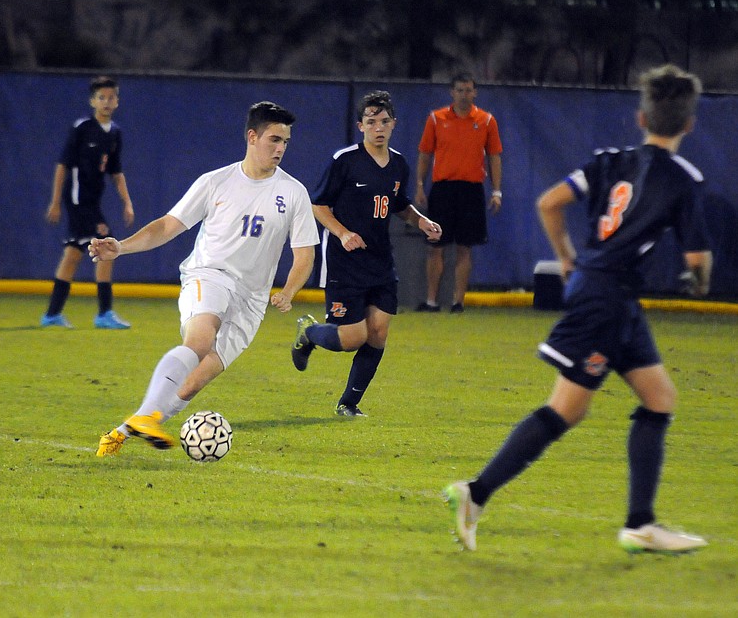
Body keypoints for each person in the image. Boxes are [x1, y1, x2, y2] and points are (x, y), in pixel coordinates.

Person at [443, 64, 713, 554]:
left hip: (607, 294)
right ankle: (476, 493)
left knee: (660, 398)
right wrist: (699, 283)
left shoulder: (610, 160)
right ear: (690, 124)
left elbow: (550, 202)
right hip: (606, 301)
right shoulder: (683, 179)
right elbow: (698, 261)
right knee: (566, 410)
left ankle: (640, 523)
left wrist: (568, 257)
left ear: (640, 118)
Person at [92, 101, 319, 456]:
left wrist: (289, 291)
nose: (280, 149)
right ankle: (144, 419)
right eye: (274, 139)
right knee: (199, 341)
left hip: (252, 300)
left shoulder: (293, 193)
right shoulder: (216, 182)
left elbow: (305, 253)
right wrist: (120, 247)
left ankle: (128, 427)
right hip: (209, 275)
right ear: (251, 136)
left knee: (195, 380)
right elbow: (168, 226)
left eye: (286, 142)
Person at [291, 91, 441, 416]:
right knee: (353, 337)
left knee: (378, 332)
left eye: (384, 121)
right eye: (371, 121)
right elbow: (317, 205)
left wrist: (422, 221)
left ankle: (349, 403)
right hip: (345, 264)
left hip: (380, 262)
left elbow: (399, 206)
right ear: (360, 126)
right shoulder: (345, 160)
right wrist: (342, 232)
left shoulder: (399, 164)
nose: (378, 128)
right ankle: (309, 333)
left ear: (393, 124)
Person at [42, 75, 135, 330]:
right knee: (107, 245)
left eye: (111, 97)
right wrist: (55, 202)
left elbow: (116, 173)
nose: (106, 102)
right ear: (92, 101)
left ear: (117, 101)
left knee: (72, 254)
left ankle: (52, 315)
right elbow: (63, 165)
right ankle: (104, 313)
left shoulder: (115, 133)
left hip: (92, 201)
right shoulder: (82, 128)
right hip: (77, 200)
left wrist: (127, 202)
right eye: (101, 97)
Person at [414, 71, 503, 314]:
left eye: (468, 90)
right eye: (460, 90)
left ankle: (457, 302)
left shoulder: (486, 121)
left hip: (471, 189)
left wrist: (497, 191)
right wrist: (420, 185)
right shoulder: (436, 118)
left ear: (475, 92)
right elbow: (425, 153)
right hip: (443, 189)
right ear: (452, 93)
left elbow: (494, 157)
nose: (464, 95)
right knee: (435, 245)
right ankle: (431, 301)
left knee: (465, 247)